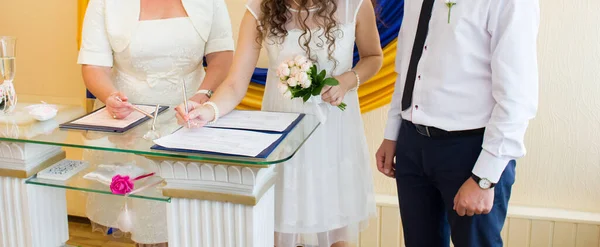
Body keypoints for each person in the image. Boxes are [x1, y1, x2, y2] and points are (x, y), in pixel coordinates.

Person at [174, 0, 382, 246]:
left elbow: (373, 57)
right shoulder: (260, 9)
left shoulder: (354, 4)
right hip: (283, 135)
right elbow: (235, 83)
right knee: (280, 225)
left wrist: (347, 80)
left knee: (336, 226)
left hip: (334, 131)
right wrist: (208, 110)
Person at [376, 0, 539, 246]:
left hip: (471, 151)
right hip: (412, 143)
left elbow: (517, 97)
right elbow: (408, 65)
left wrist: (485, 178)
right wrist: (393, 132)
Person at [77, 0, 234, 245]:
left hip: (192, 116)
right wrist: (109, 96)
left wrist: (202, 96)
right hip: (131, 123)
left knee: (194, 217)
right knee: (146, 219)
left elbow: (222, 56)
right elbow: (93, 65)